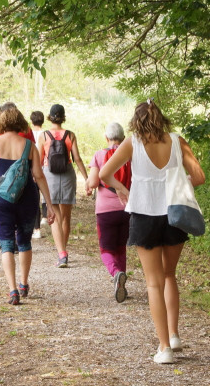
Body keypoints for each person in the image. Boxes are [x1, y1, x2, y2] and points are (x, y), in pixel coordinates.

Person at [100, 100, 204, 364]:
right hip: (175, 215)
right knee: (170, 275)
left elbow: (104, 173)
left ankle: (164, 348)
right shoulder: (178, 141)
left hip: (145, 215)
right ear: (162, 118)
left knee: (153, 283)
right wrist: (180, 182)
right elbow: (200, 176)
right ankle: (175, 334)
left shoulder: (132, 143)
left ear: (137, 121)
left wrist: (122, 190)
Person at [0, 106, 56, 305]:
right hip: (27, 198)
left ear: (1, 124)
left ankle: (12, 289)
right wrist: (49, 203)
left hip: (0, 200)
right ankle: (23, 283)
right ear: (21, 123)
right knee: (24, 242)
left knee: (6, 244)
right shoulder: (30, 146)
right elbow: (38, 176)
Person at [37, 104, 90, 267]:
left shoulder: (43, 135)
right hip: (67, 174)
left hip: (49, 175)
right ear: (63, 116)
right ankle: (63, 252)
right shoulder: (70, 135)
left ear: (49, 116)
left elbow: (39, 160)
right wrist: (87, 179)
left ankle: (61, 254)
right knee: (66, 217)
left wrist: (36, 179)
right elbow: (78, 159)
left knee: (54, 216)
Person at [85, 122, 131, 302]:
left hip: (105, 210)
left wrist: (88, 186)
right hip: (127, 207)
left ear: (106, 137)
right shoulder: (130, 155)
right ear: (123, 137)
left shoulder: (99, 155)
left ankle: (116, 273)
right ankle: (122, 283)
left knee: (106, 249)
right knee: (121, 247)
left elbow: (94, 182)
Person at [29, 110, 46, 239]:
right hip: (47, 167)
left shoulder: (28, 133)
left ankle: (36, 228)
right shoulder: (46, 134)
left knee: (35, 197)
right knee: (45, 194)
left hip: (34, 167)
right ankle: (45, 217)